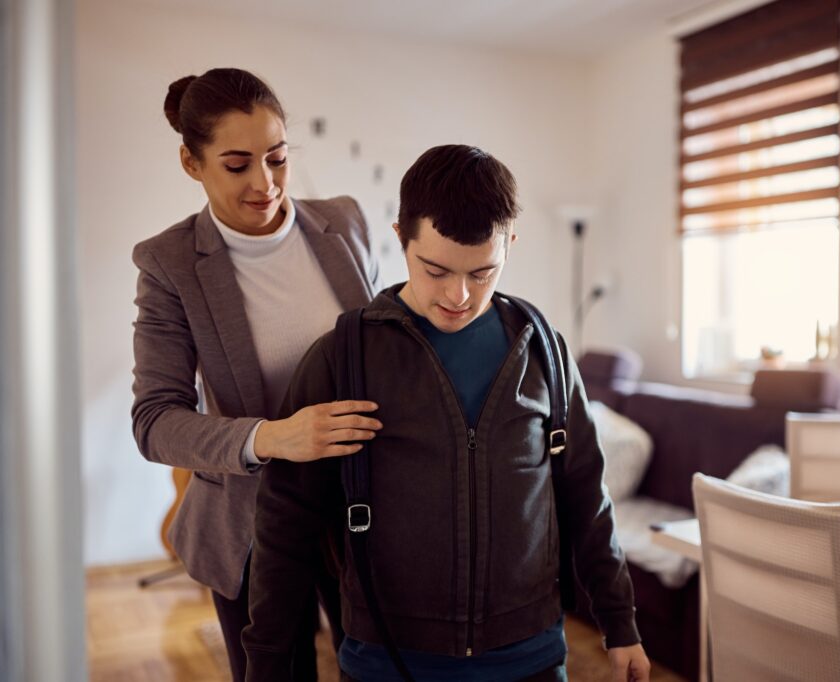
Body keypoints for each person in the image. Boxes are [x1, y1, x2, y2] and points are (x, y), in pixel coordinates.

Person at [243, 144, 651, 682]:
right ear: (400, 239)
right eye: (434, 270)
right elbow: (285, 526)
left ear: (510, 246)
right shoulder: (343, 358)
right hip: (385, 661)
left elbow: (585, 499)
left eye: (483, 273)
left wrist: (620, 624)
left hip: (531, 660)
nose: (458, 295)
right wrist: (267, 666)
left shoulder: (544, 351)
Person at [130, 67, 384, 681]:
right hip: (252, 525)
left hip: (363, 511)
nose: (265, 184)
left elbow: (379, 354)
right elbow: (154, 421)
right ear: (193, 164)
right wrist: (270, 437)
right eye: (238, 164)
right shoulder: (168, 264)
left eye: (277, 158)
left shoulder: (344, 223)